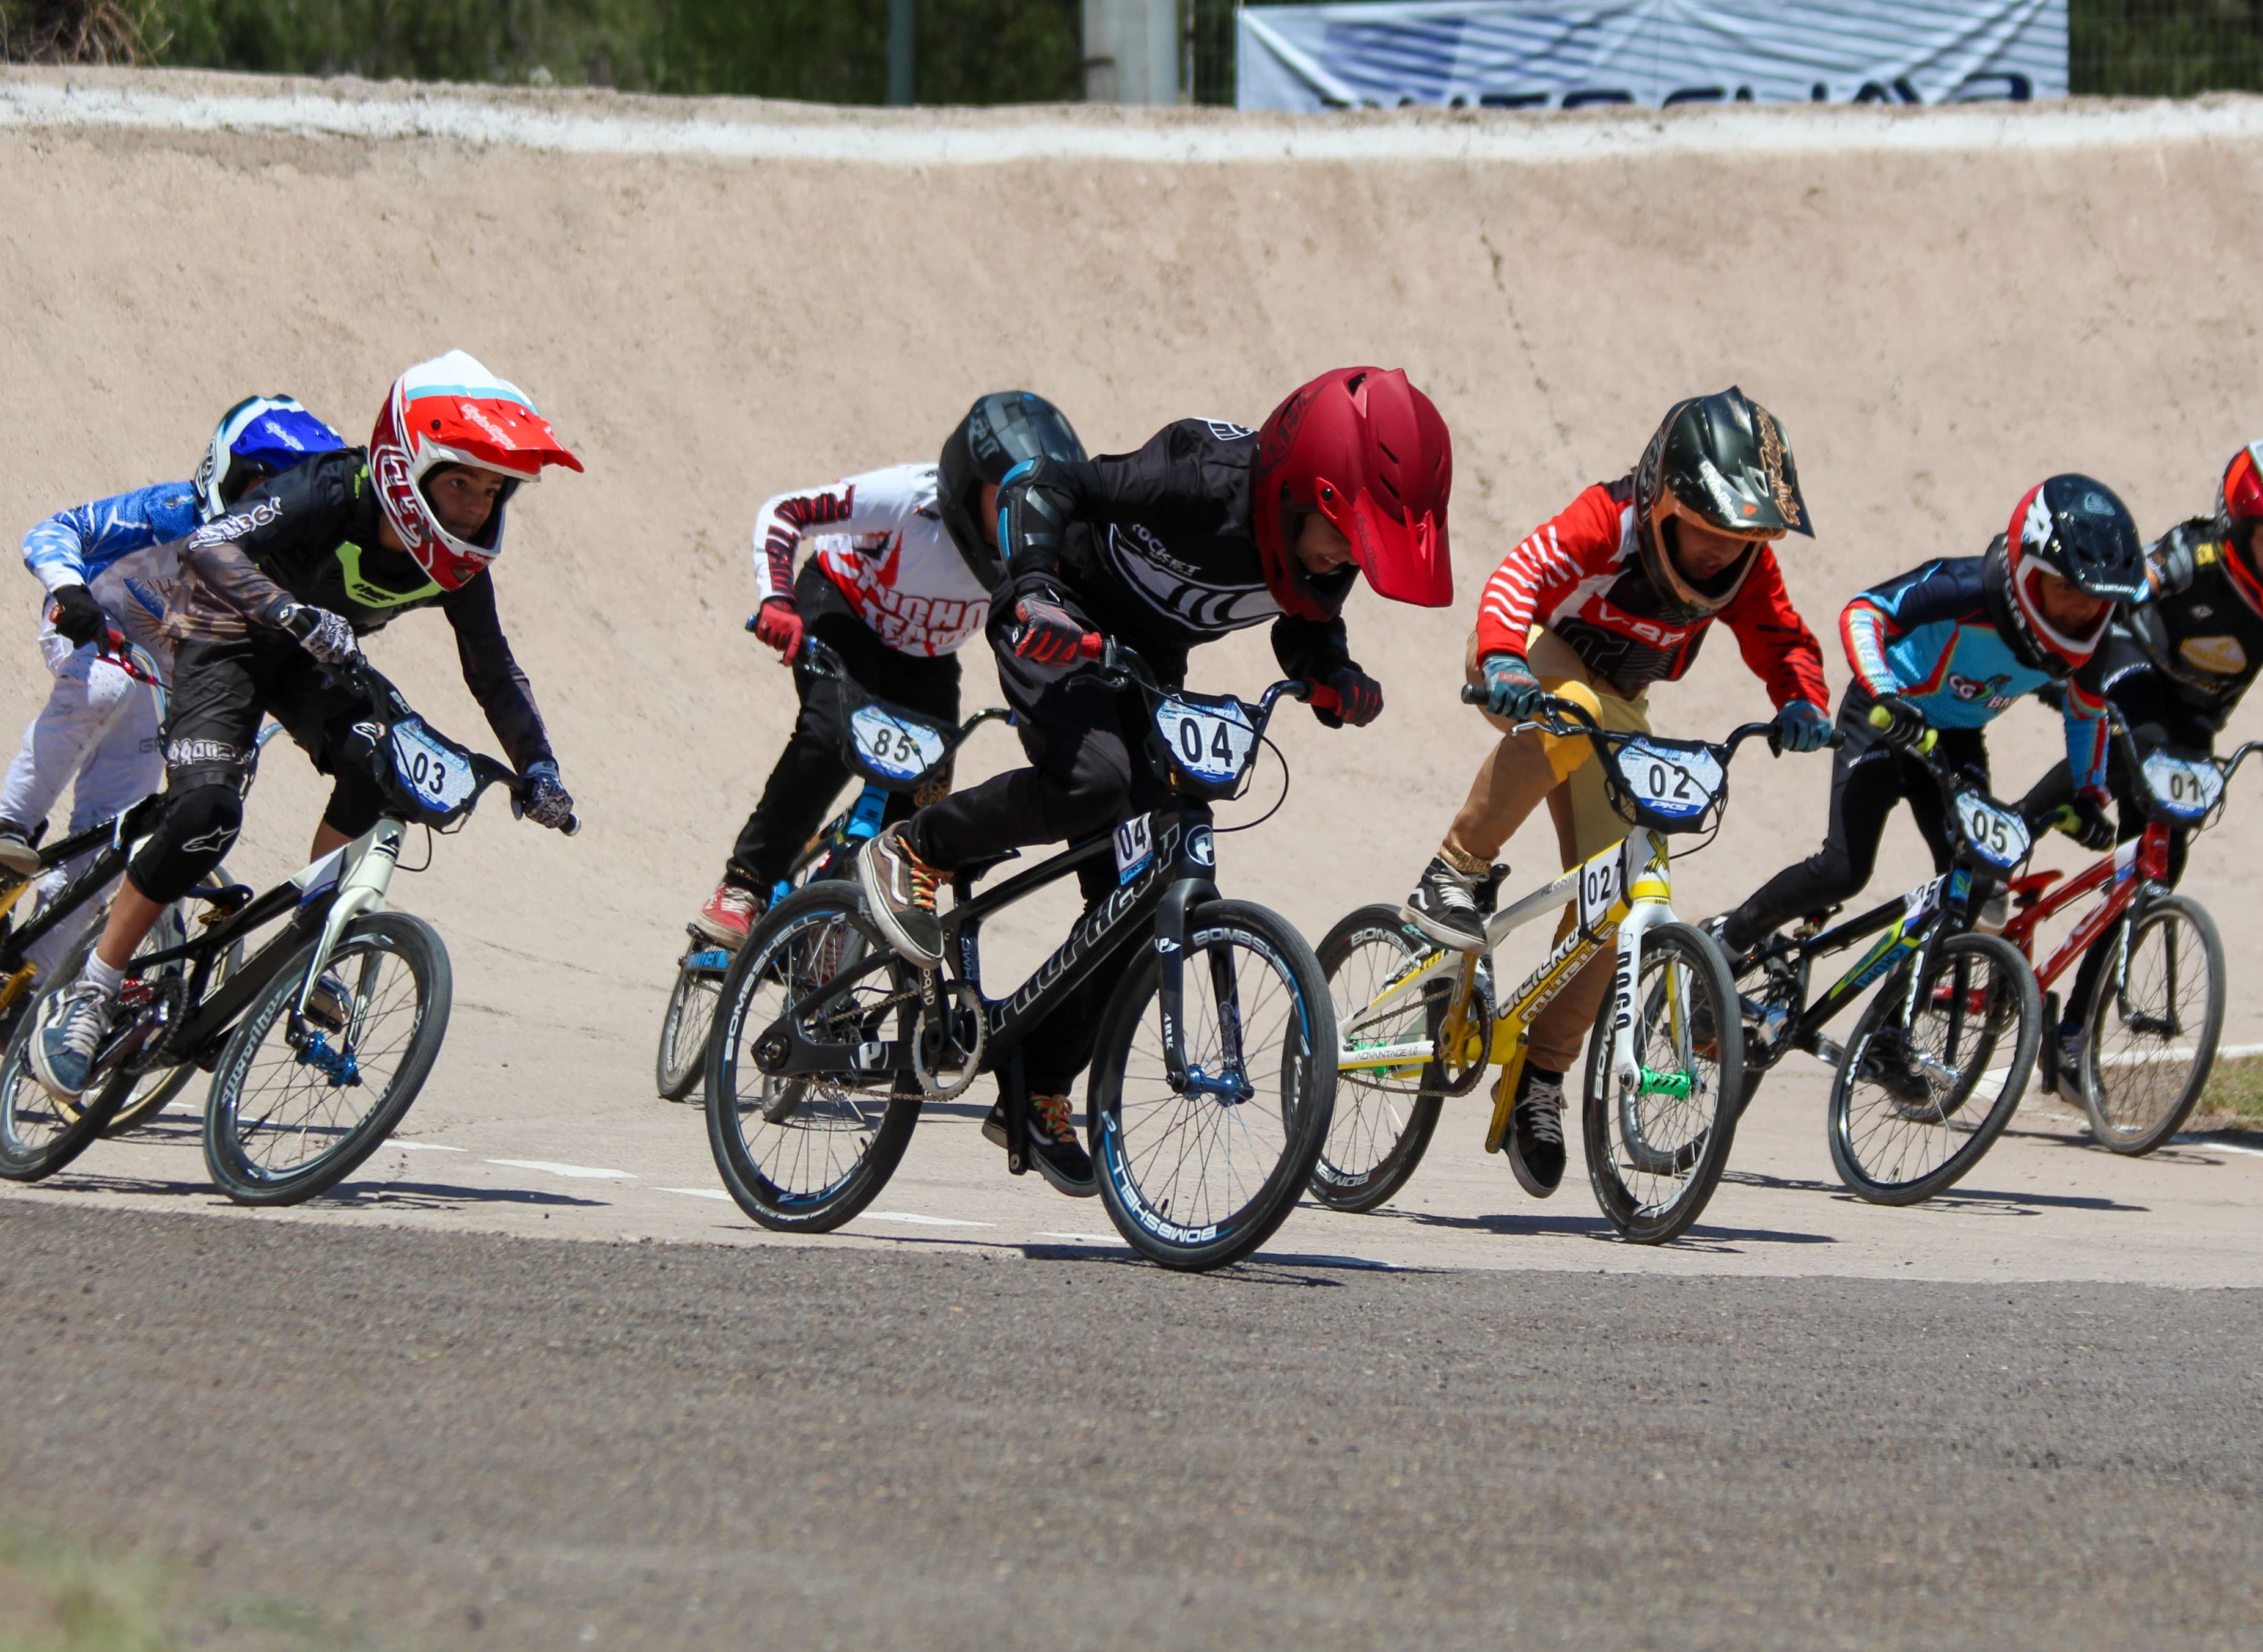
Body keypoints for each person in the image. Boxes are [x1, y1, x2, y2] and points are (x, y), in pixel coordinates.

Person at [853, 367, 1453, 1193]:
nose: (1343, 558)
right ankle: (917, 850)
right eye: (1343, 535)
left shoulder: (1317, 548)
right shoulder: (1196, 475)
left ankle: (1038, 1086)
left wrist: (1331, 671)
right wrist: (1029, 584)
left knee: (1144, 902)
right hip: (1054, 618)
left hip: (1144, 673)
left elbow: (1307, 619)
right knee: (1095, 781)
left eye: (1360, 547)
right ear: (1294, 490)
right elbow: (1052, 482)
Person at [29, 353, 583, 1098]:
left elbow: (492, 670)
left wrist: (540, 766)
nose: (476, 508)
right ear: (404, 468)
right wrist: (286, 608)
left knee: (383, 770)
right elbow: (209, 544)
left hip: (315, 658)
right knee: (206, 812)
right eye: (459, 482)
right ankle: (91, 994)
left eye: (492, 490)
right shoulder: (333, 487)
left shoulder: (460, 565)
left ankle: (309, 942)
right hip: (222, 637)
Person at [1396, 387, 1834, 1199]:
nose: (1721, 552)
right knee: (1574, 708)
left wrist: (1803, 701)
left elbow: (1783, 638)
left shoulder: (1744, 567)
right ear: (1664, 496)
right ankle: (1454, 869)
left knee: (1628, 894)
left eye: (1744, 537)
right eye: (1711, 528)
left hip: (1619, 701)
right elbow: (1517, 575)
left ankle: (1540, 1073)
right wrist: (1500, 658)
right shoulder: (1609, 521)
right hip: (1532, 659)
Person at [1712, 473, 2147, 1001]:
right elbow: (1865, 611)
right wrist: (1884, 688)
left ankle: (1891, 1032)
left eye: (2095, 600)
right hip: (1883, 717)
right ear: (2028, 570)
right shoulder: (1967, 588)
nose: (2082, 611)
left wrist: (2088, 791)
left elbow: (2086, 711)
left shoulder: (2089, 641)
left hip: (1955, 737)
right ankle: (1727, 944)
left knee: (1977, 877)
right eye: (2068, 589)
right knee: (1843, 871)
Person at [694, 392, 1087, 951]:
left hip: (925, 657)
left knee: (927, 790)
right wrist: (777, 598)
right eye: (1005, 501)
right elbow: (788, 512)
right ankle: (745, 885)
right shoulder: (907, 498)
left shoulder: (1034, 549)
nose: (1018, 521)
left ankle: (842, 915)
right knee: (831, 733)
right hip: (842, 609)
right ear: (968, 479)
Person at [2025, 433, 2263, 1098]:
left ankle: (2070, 1037)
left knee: (2156, 870)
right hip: (2130, 672)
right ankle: (1994, 860)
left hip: (2195, 725)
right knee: (2116, 762)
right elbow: (2116, 590)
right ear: (2237, 525)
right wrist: (2068, 665)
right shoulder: (2194, 553)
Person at [0, 396, 346, 885]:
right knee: (106, 685)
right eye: (261, 489)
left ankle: (44, 961)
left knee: (105, 856)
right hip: (95, 627)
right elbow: (58, 530)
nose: (271, 511)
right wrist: (68, 587)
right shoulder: (172, 513)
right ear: (225, 474)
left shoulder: (286, 578)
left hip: (159, 684)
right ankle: (9, 823)